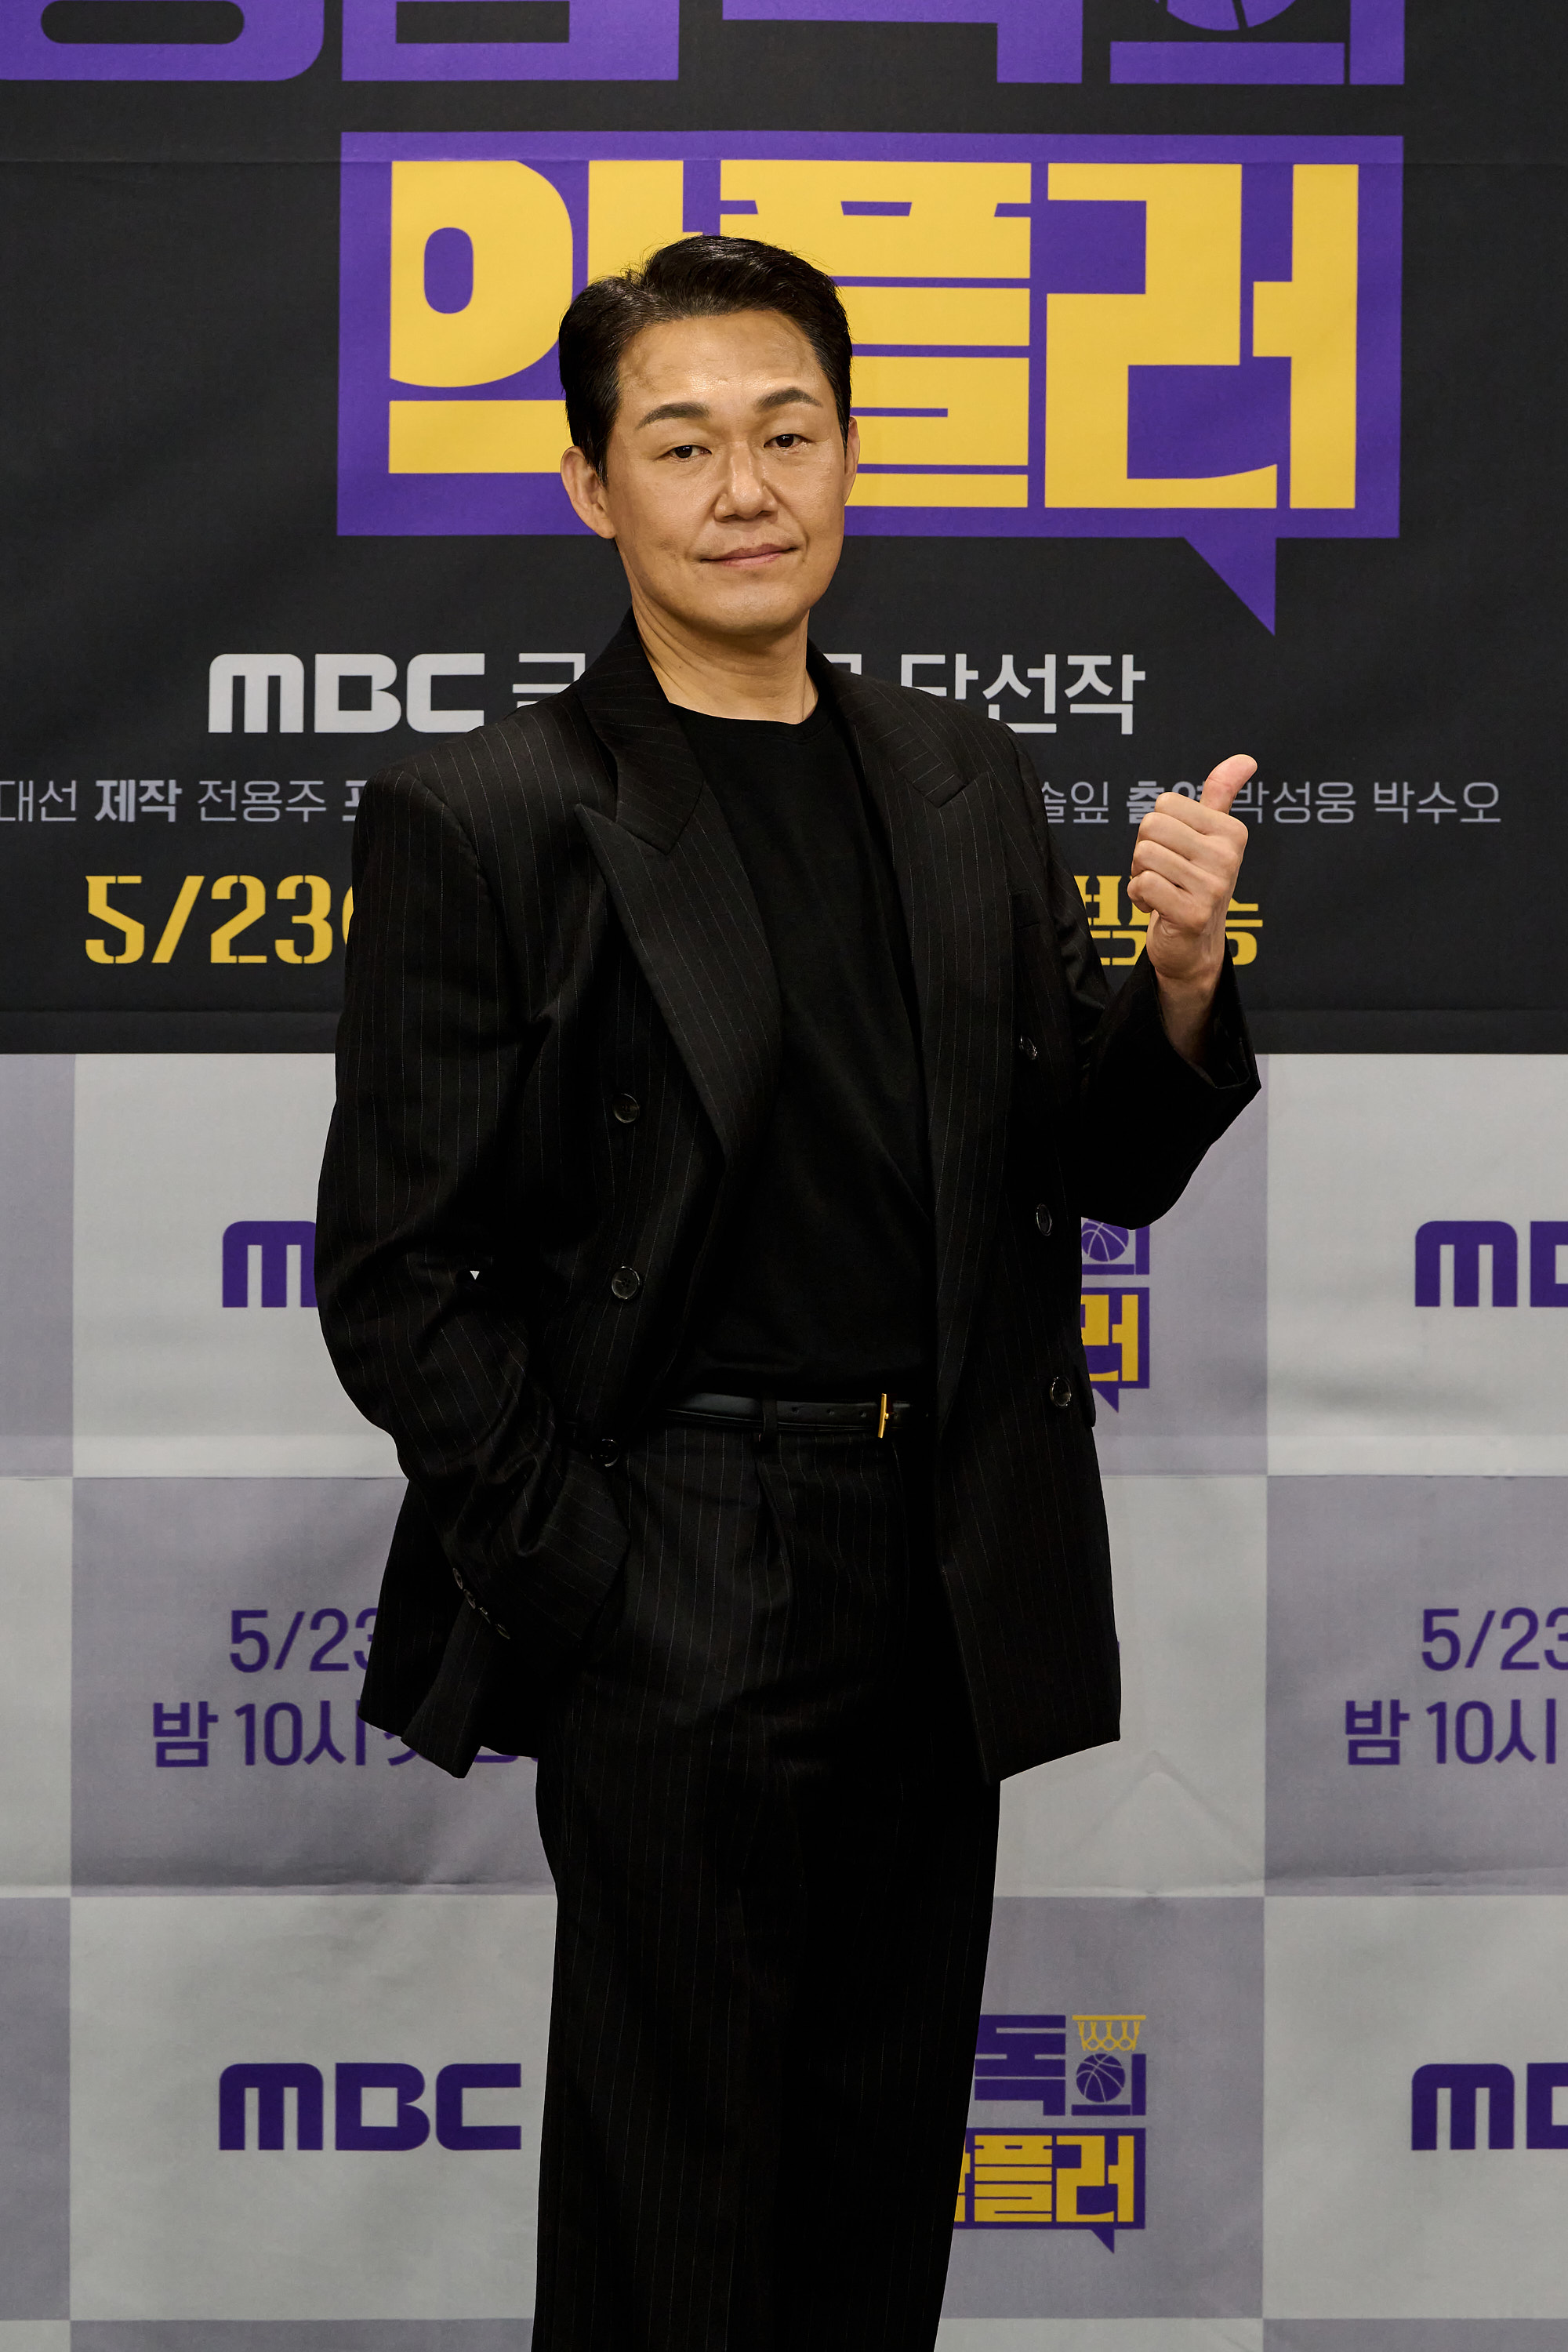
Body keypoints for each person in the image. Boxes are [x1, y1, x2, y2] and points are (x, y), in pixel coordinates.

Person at [316, 234, 1258, 2352]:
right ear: (593, 486)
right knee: (675, 2203)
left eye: (788, 434)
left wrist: (1185, 986)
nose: (745, 488)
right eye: (682, 445)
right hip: (678, 1558)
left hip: (941, 1559)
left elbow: (1088, 1163)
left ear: (850, 457)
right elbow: (393, 1272)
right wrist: (592, 1572)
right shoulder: (493, 815)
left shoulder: (958, 774)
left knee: (873, 2180)